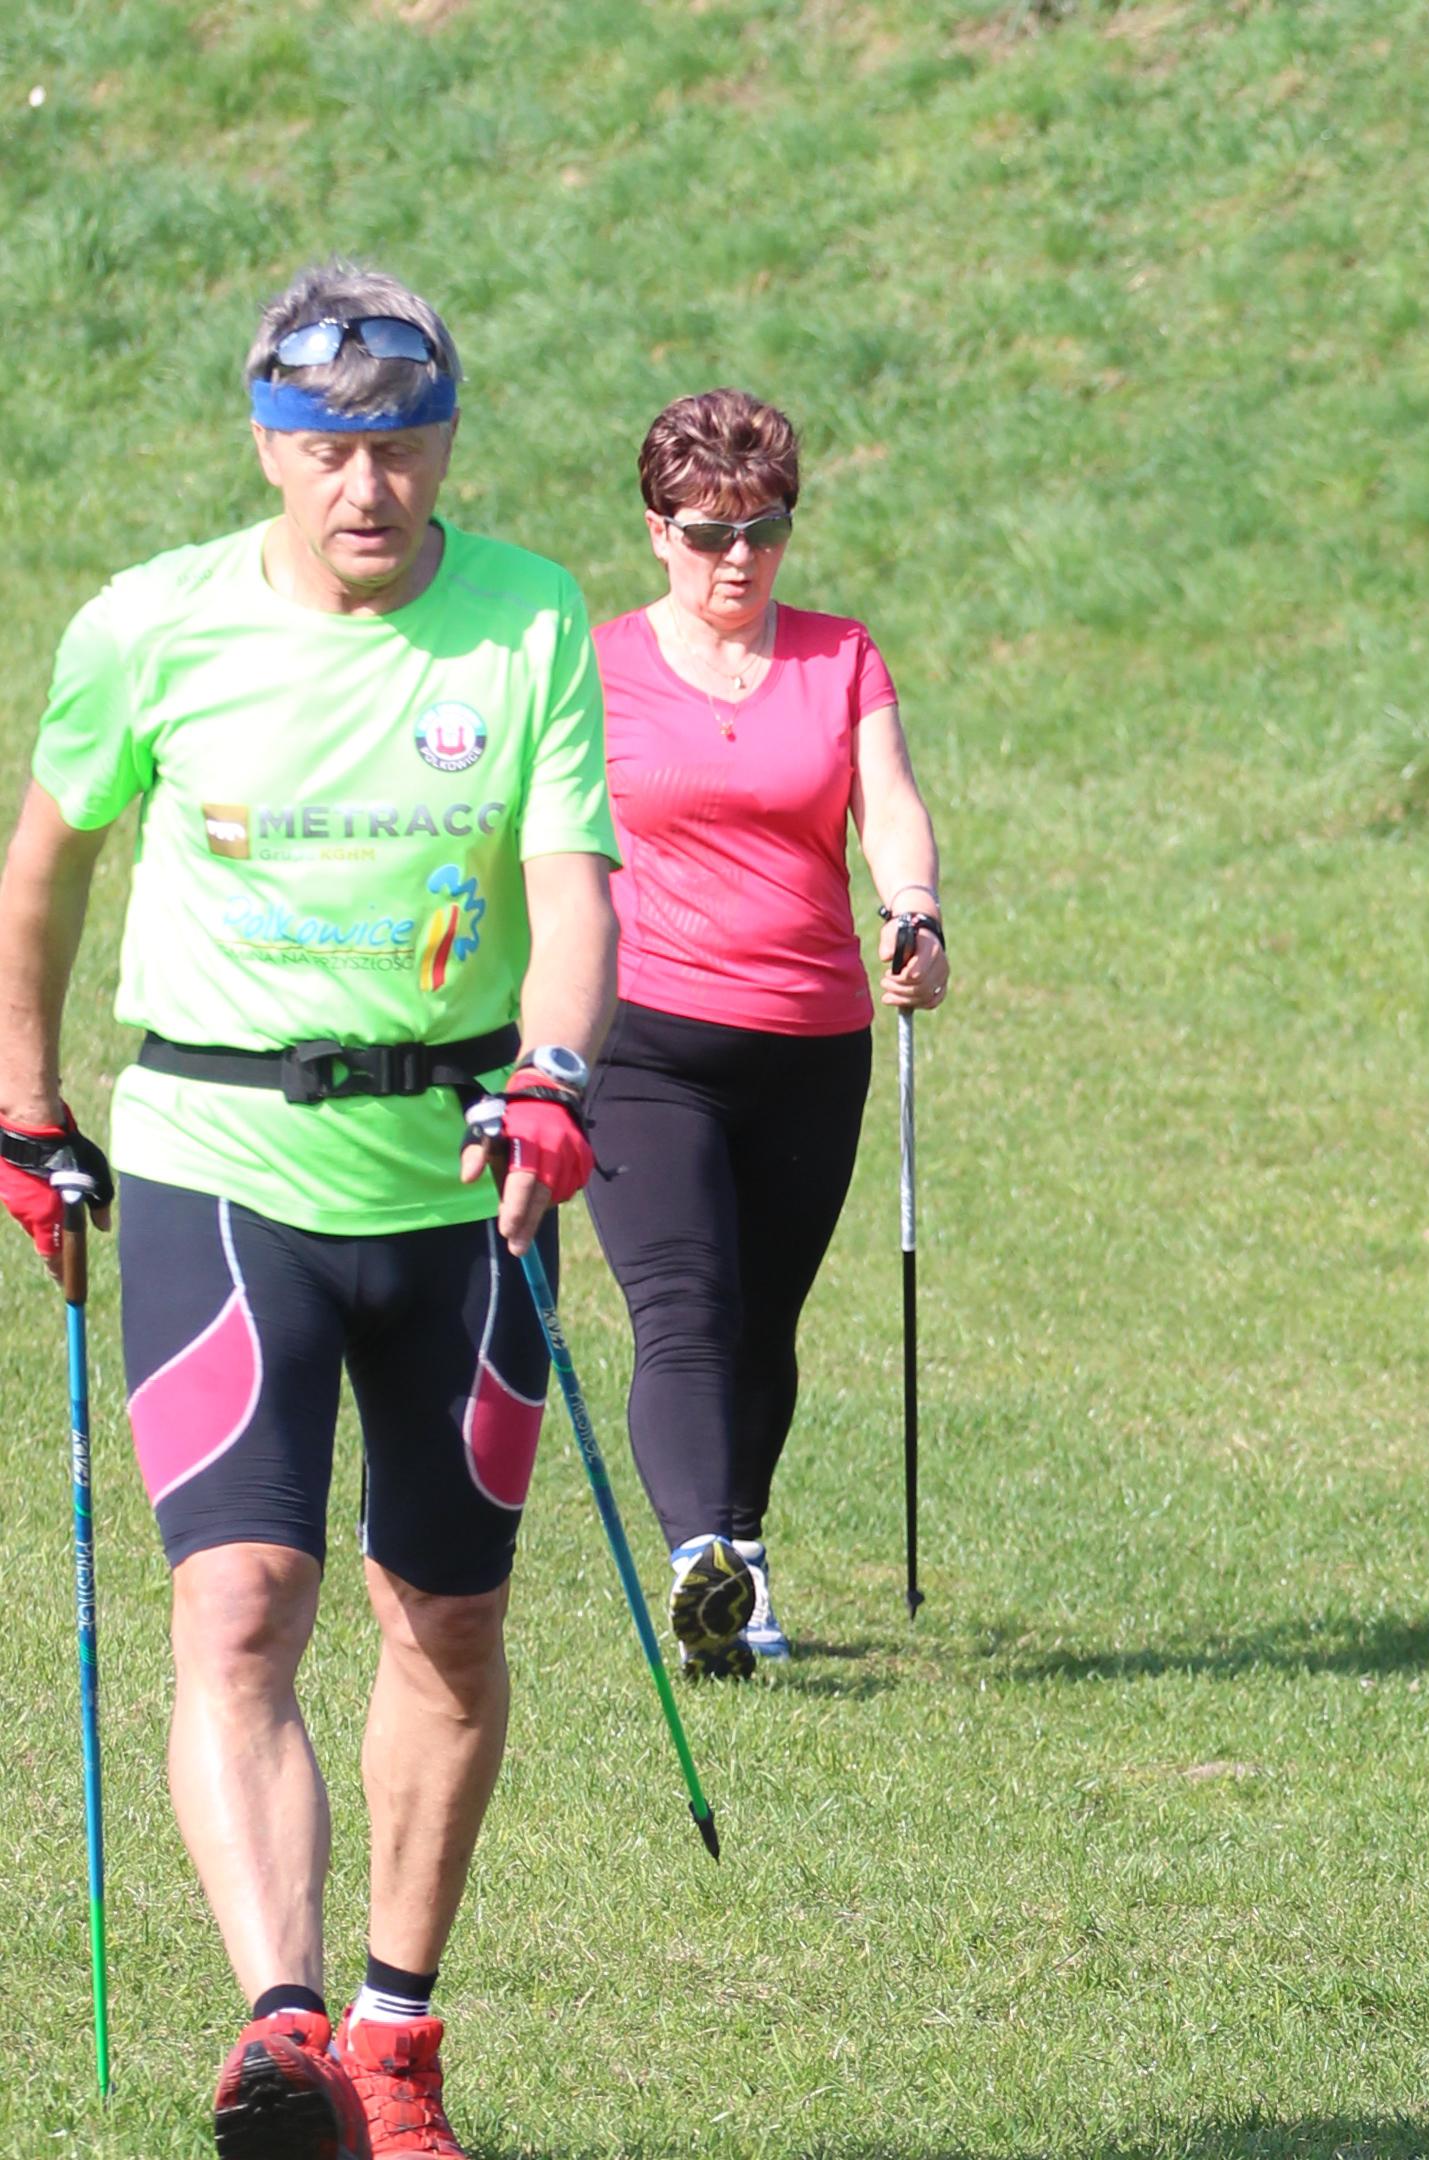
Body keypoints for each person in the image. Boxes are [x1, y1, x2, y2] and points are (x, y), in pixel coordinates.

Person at [0, 262, 619, 2160]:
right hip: (217, 1158)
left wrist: (555, 1078)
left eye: (404, 442)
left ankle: (395, 2040)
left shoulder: (526, 622)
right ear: (270, 442)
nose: (370, 485)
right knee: (243, 1600)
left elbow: (576, 887)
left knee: (444, 1618)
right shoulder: (148, 625)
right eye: (331, 447)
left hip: (460, 1175)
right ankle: (280, 2033)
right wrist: (24, 1107)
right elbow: (44, 876)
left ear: (447, 437)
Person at [581, 387, 945, 1679]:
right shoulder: (598, 667)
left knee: (763, 1320)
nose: (739, 558)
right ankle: (701, 1562)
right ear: (655, 531)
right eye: (707, 532)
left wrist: (914, 909)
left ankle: (743, 1547)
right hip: (646, 1041)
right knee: (683, 1305)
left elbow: (887, 805)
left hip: (808, 1041)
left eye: (766, 529)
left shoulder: (840, 657)